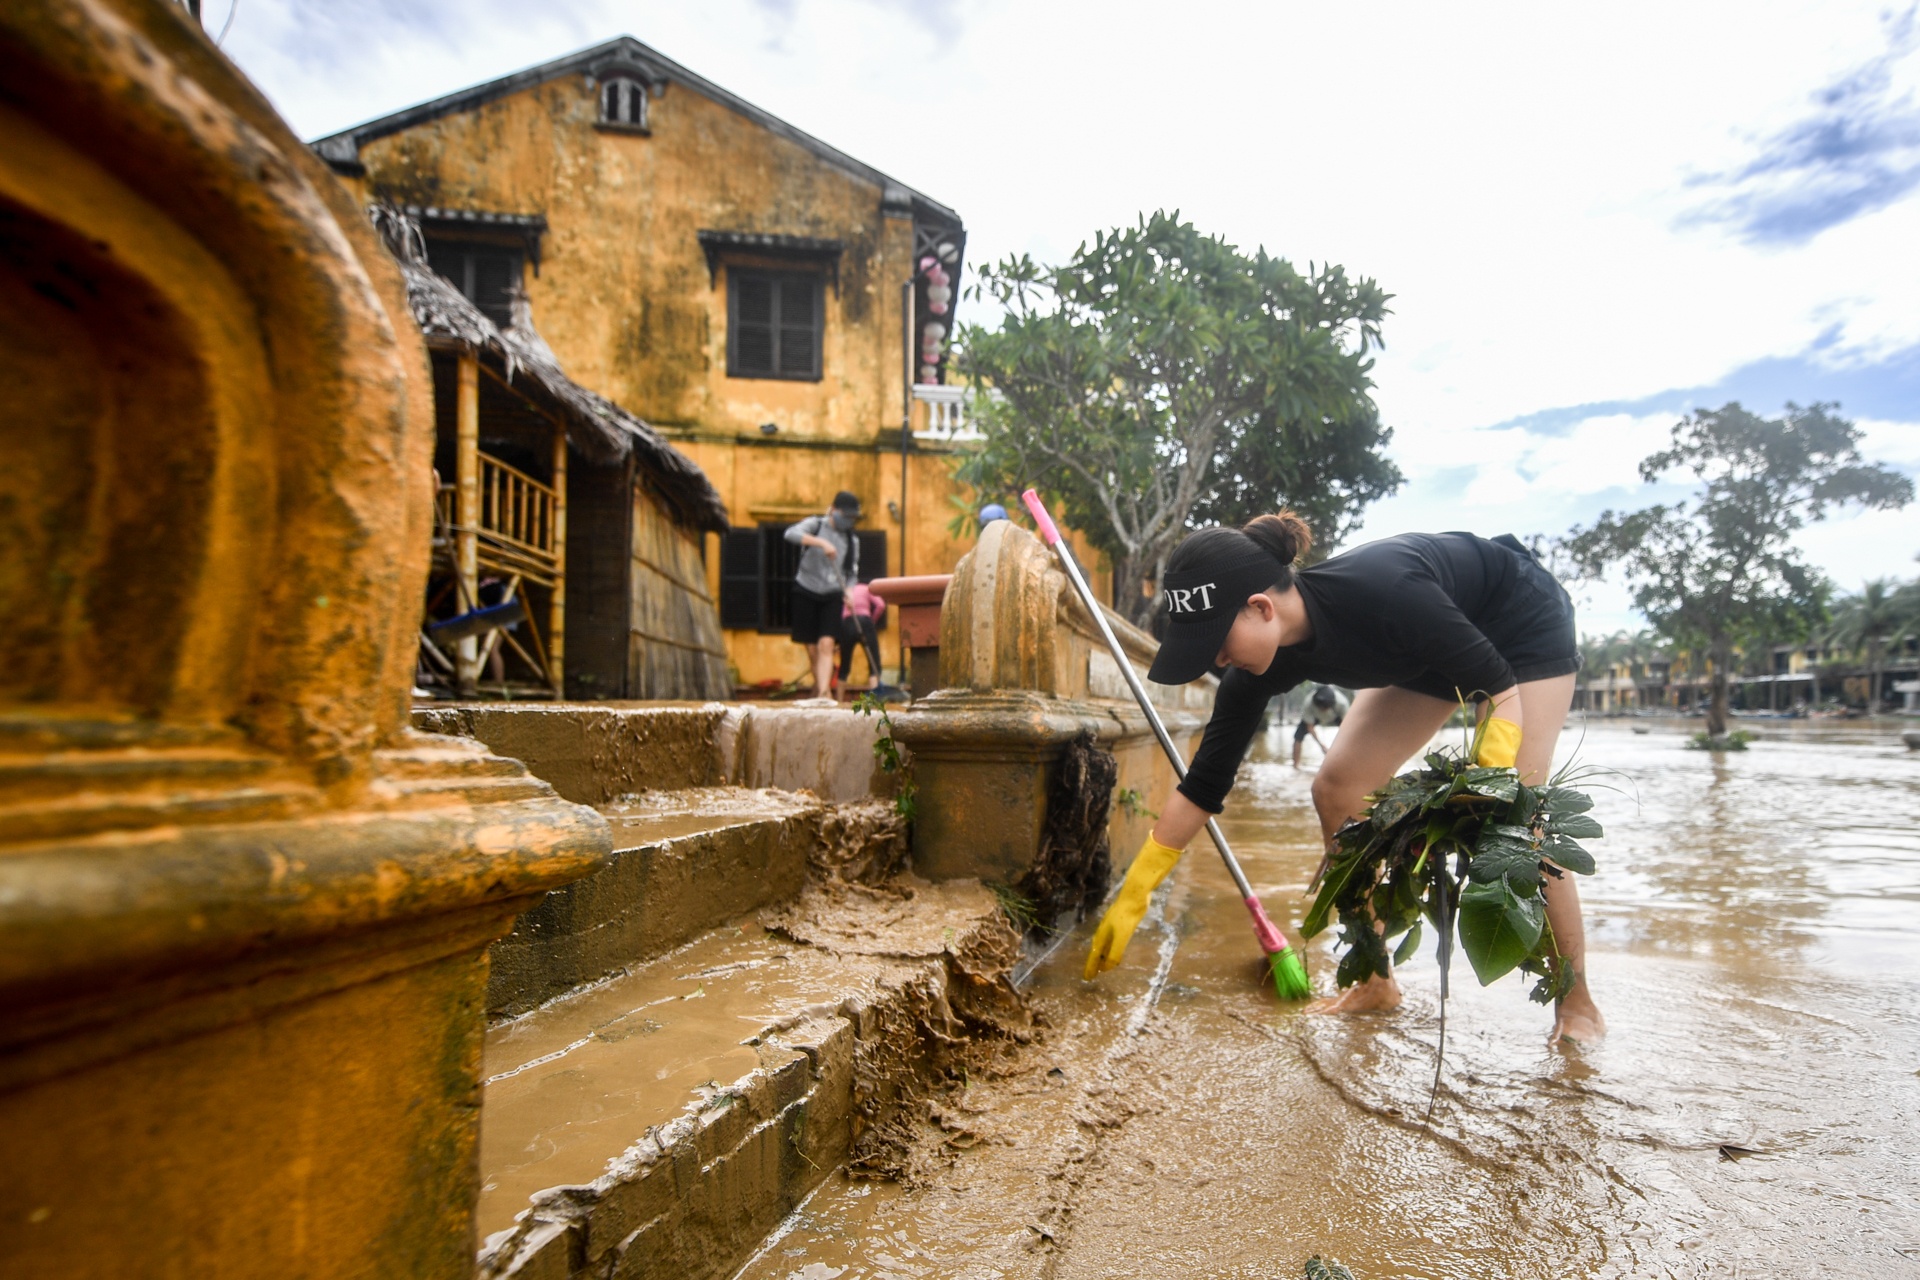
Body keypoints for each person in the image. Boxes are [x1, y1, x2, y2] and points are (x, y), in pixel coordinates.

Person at [1083, 511, 1604, 1047]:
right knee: (1337, 789)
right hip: (1428, 652)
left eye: (1216, 643)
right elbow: (1202, 786)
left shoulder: (1388, 591)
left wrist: (1488, 778)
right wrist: (1135, 892)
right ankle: (1375, 980)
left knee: (1524, 823)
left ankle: (1577, 1000)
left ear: (1260, 607)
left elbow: (1498, 687)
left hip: (1518, 623)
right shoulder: (1253, 676)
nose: (1214, 661)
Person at [785, 492, 861, 701]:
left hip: (832, 594)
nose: (848, 520)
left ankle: (825, 693)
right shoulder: (815, 525)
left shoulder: (852, 541)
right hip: (806, 590)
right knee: (812, 650)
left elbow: (852, 574)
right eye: (845, 515)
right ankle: (820, 687)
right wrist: (821, 543)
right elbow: (790, 534)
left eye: (852, 517)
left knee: (826, 644)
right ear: (833, 509)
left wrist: (849, 592)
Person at [837, 581, 887, 700]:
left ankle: (839, 701)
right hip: (865, 622)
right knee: (873, 663)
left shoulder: (845, 589)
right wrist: (872, 620)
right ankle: (874, 701)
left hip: (847, 623)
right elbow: (881, 605)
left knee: (844, 665)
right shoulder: (865, 588)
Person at [1292, 684, 1348, 767]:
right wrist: (1322, 746)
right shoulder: (1308, 703)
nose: (1323, 710)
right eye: (1321, 707)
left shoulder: (1342, 704)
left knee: (1350, 736)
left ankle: (1345, 763)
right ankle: (1295, 766)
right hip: (1315, 717)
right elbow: (1310, 728)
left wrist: (1334, 749)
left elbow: (1346, 729)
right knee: (1298, 736)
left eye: (1325, 708)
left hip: (1336, 717)